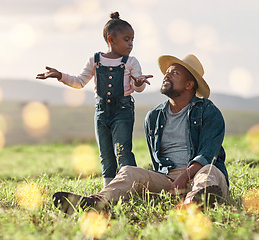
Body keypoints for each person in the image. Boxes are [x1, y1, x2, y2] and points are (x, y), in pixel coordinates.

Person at [52, 54, 229, 214]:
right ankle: (94, 203)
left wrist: (184, 178)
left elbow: (207, 155)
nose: (166, 75)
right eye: (166, 72)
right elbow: (157, 161)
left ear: (190, 84)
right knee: (129, 171)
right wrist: (170, 182)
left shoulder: (208, 112)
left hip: (201, 175)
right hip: (169, 181)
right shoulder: (154, 117)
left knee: (209, 170)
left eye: (174, 73)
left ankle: (194, 201)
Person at [36, 12, 152, 187]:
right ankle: (109, 190)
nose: (131, 44)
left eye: (132, 40)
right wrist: (60, 75)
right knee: (105, 153)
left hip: (123, 111)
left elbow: (139, 88)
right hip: (101, 112)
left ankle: (132, 187)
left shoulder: (131, 62)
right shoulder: (95, 61)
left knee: (123, 151)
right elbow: (80, 82)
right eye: (126, 39)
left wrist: (138, 83)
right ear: (111, 39)